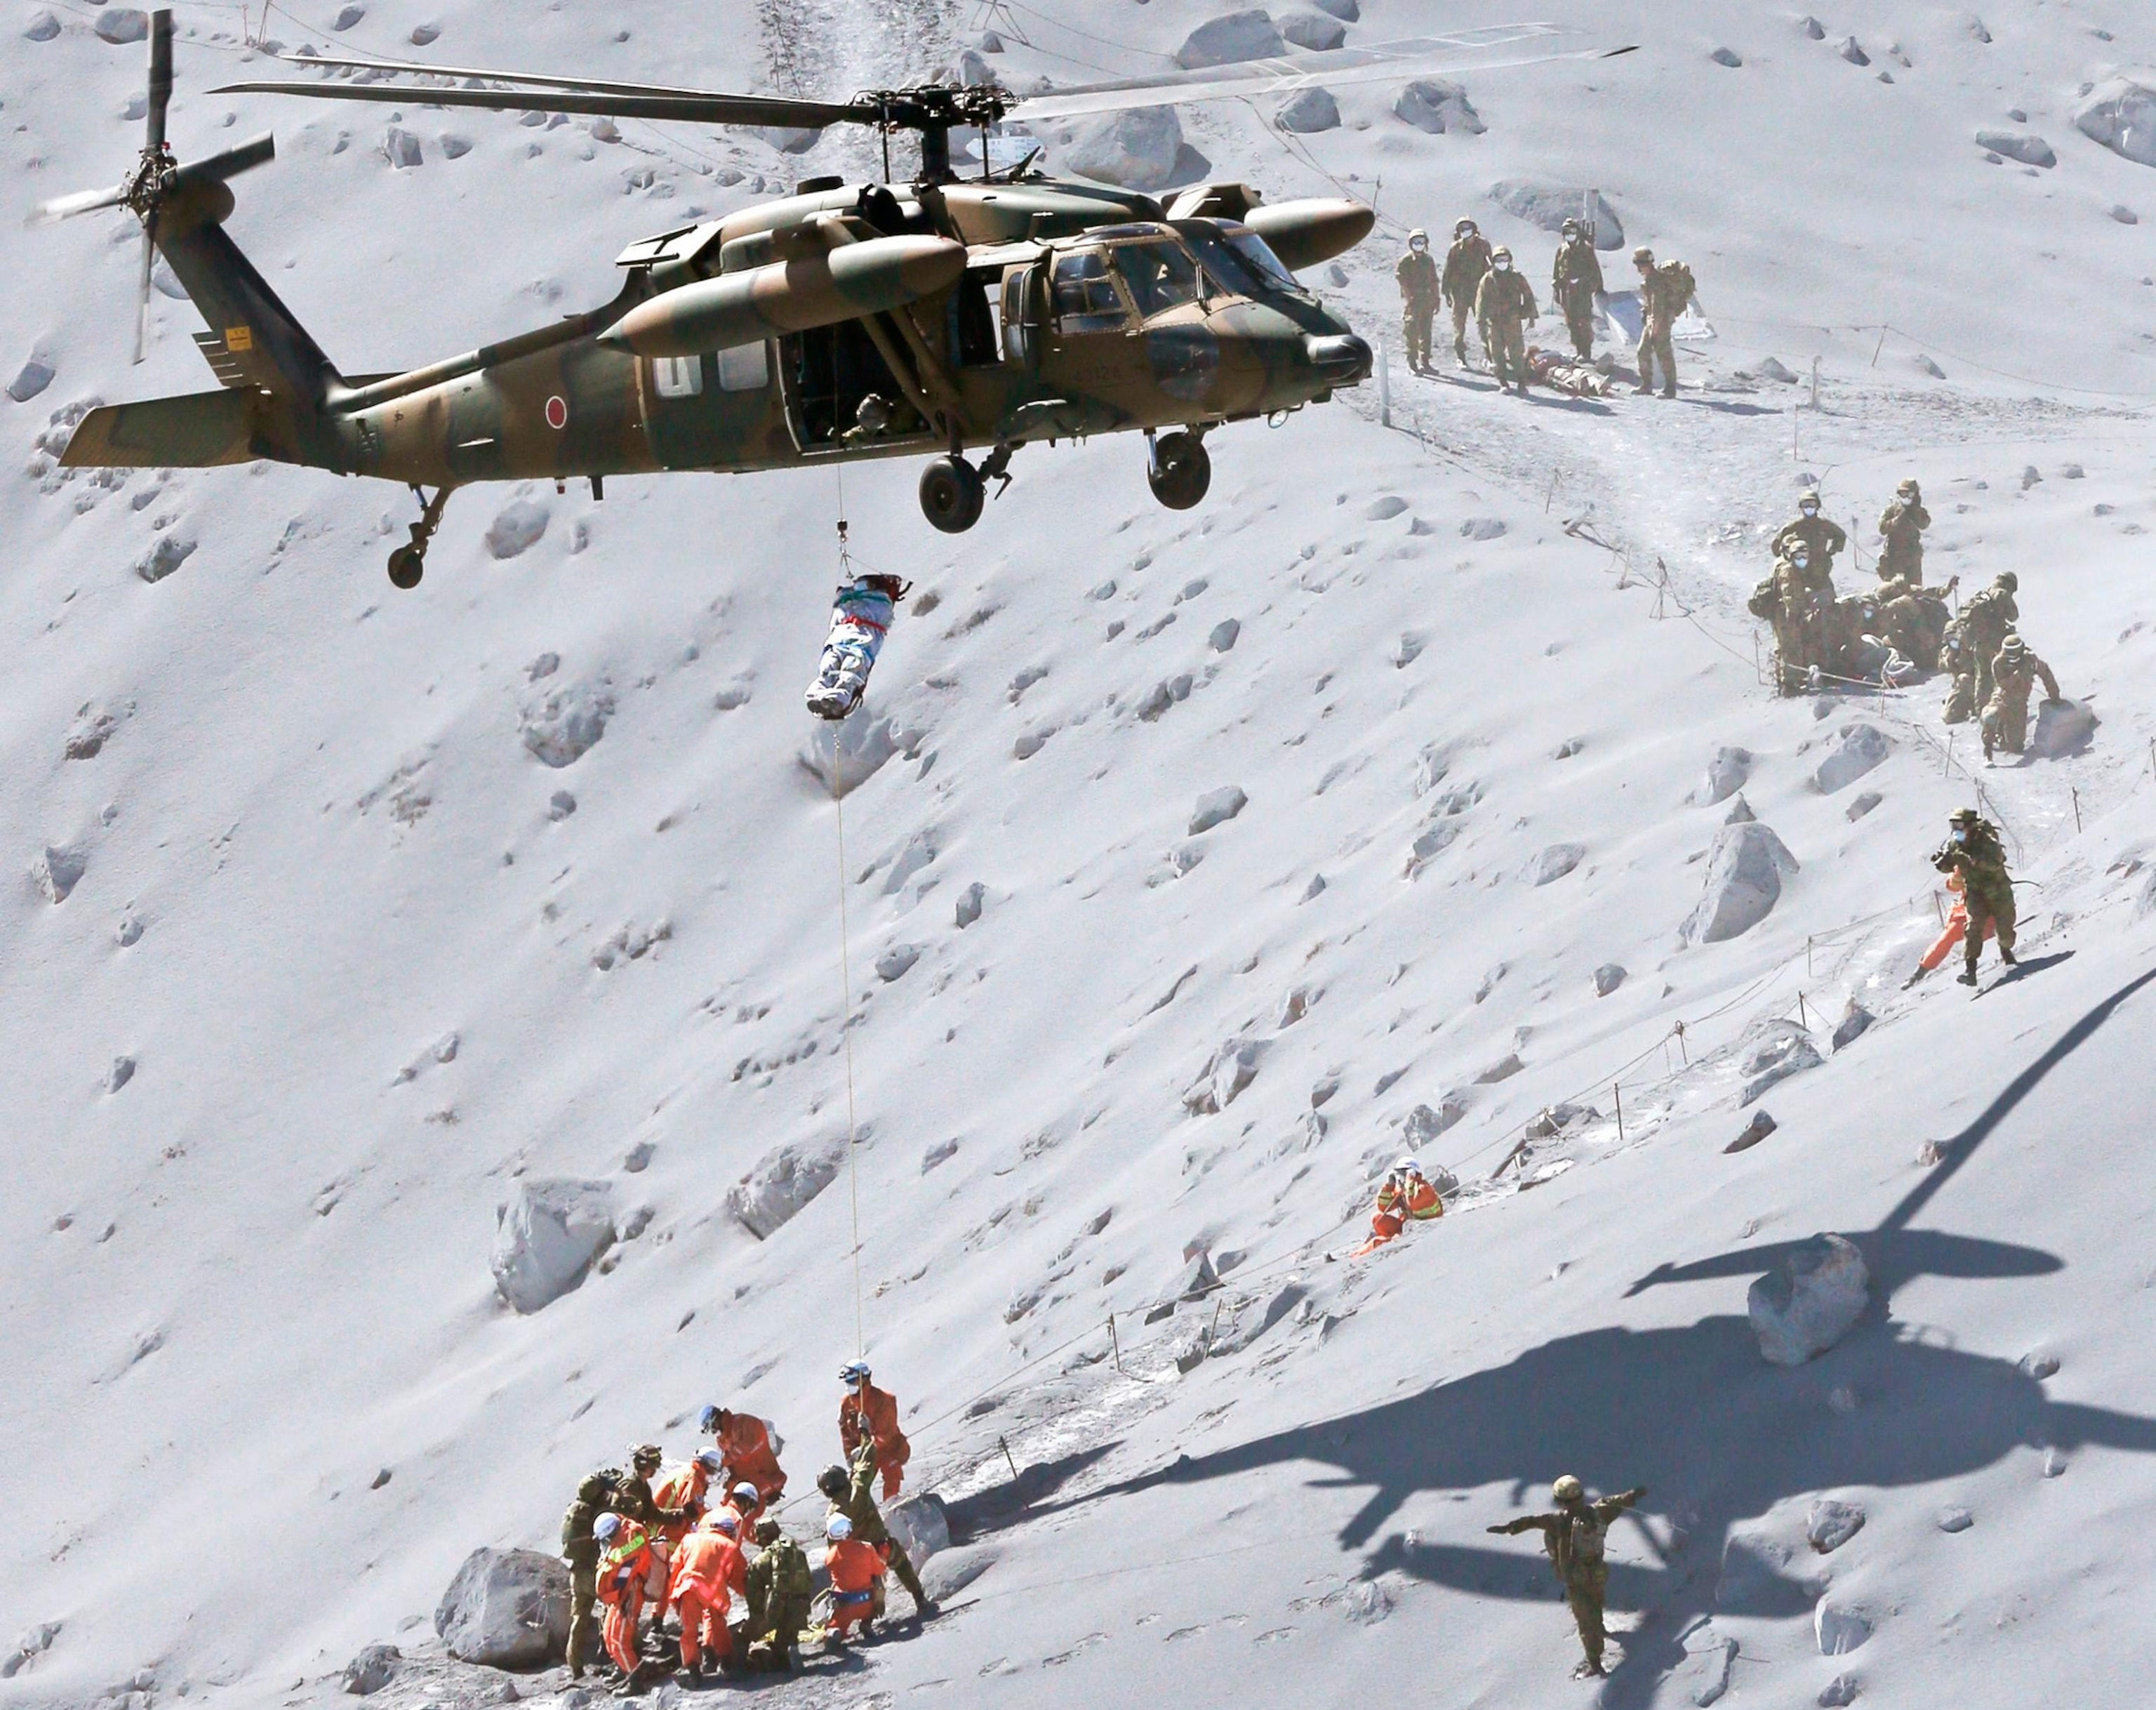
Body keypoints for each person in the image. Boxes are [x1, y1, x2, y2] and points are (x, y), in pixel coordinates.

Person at [1486, 1477, 1647, 1678]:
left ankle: (1595, 1663)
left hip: (1576, 1580)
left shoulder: (1557, 1520)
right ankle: (1600, 1628)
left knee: (1585, 1622)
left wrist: (1509, 1528)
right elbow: (1616, 1501)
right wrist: (1634, 1495)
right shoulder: (1597, 1512)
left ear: (1559, 1499)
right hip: (1597, 1574)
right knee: (1596, 1603)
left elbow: (1532, 1521)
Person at [819, 1438, 935, 1612]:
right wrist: (865, 1435)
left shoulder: (832, 1512)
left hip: (858, 1556)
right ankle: (920, 1598)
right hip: (881, 1546)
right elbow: (867, 1463)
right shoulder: (858, 1488)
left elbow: (833, 1543)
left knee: (864, 1582)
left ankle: (869, 1615)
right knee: (901, 1564)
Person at [805, 572, 910, 721]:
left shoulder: (859, 603)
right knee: (844, 666)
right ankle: (827, 694)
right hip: (854, 640)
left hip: (846, 639)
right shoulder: (876, 605)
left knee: (841, 665)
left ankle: (831, 695)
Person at [1931, 808, 2016, 983]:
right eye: (1953, 825)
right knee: (1972, 928)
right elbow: (1949, 865)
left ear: (1971, 825)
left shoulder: (1988, 842)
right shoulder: (1955, 843)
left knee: (2005, 931)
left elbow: (1996, 862)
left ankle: (2006, 950)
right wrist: (1944, 862)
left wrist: (1974, 861)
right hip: (1976, 892)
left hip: (1998, 891)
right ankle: (1971, 971)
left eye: (1960, 825)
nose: (1956, 829)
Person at [611, 1445, 690, 1622]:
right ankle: (618, 1636)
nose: (654, 1470)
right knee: (624, 1590)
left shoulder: (643, 1486)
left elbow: (652, 1513)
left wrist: (678, 1516)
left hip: (635, 1544)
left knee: (635, 1590)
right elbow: (619, 1517)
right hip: (625, 1548)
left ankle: (631, 1634)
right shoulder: (630, 1486)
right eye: (653, 1465)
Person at [668, 1513, 748, 1678]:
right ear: (729, 1532)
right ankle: (725, 1663)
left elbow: (675, 1565)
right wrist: (748, 1595)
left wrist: (675, 1596)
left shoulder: (689, 1539)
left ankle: (692, 1670)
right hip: (713, 1593)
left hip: (688, 1587)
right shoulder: (731, 1547)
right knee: (718, 1625)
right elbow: (738, 1579)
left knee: (689, 1630)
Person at [560, 1471, 618, 1681]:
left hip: (577, 1573)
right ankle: (610, 1654)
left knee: (579, 1620)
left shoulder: (575, 1510)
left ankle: (575, 1667)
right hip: (593, 1572)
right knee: (610, 1609)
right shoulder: (594, 1514)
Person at [1943, 571, 2020, 722]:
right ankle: (1992, 712)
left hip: (1977, 642)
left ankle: (1981, 710)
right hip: (1993, 642)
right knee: (1996, 675)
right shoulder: (2001, 594)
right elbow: (2013, 616)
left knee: (1982, 676)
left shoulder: (1982, 594)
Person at [1749, 543, 1825, 695]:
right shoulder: (1789, 572)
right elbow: (1789, 595)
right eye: (1798, 557)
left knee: (1785, 646)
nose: (1802, 560)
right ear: (1791, 556)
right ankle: (1789, 684)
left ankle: (1784, 678)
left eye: (1805, 557)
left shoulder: (1796, 571)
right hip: (1786, 615)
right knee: (1791, 647)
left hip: (1787, 613)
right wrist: (1794, 614)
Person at [743, 1518, 814, 1674]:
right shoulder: (798, 1554)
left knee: (741, 1637)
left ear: (761, 1537)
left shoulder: (760, 1561)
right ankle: (790, 1647)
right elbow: (808, 1581)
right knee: (786, 1637)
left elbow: (752, 1595)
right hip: (800, 1610)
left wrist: (757, 1618)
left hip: (774, 1611)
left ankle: (737, 1668)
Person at [592, 1512, 655, 1685]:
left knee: (619, 1639)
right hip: (618, 1594)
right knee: (608, 1634)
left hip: (630, 1591)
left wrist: (612, 1564)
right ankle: (622, 1668)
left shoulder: (635, 1534)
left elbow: (630, 1555)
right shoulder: (616, 1542)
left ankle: (635, 1681)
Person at [1981, 633, 2062, 762]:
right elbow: (2002, 684)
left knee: (2015, 748)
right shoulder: (1998, 662)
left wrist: (2055, 696)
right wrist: (2017, 675)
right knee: (1990, 717)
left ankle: (2002, 732)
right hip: (2003, 697)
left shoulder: (2030, 660)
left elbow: (2046, 673)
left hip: (2020, 702)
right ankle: (1988, 751)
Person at [837, 1362, 912, 1499]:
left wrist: (866, 1448)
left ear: (864, 1378)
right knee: (856, 1486)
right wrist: (850, 1455)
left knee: (892, 1476)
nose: (849, 1385)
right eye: (847, 1381)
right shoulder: (846, 1403)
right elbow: (846, 1433)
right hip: (864, 1454)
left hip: (889, 1450)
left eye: (852, 1381)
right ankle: (859, 1517)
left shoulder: (885, 1400)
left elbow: (886, 1433)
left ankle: (892, 1508)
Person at [1474, 248, 1538, 395]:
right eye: (1499, 260)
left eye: (1505, 259)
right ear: (1493, 262)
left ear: (1510, 260)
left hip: (1513, 322)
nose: (1502, 263)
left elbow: (1528, 295)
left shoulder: (1517, 277)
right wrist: (1480, 320)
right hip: (1495, 323)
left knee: (1517, 353)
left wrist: (1531, 315)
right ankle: (1503, 382)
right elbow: (1481, 301)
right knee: (1497, 353)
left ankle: (1522, 383)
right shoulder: (1487, 280)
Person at [1630, 247, 1693, 397]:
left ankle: (1670, 389)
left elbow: (1658, 307)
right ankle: (1647, 385)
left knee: (1663, 353)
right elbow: (1650, 305)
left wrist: (1655, 329)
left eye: (1640, 264)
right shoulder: (1649, 280)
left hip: (1661, 320)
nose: (1639, 268)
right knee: (1643, 351)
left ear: (1647, 263)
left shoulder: (1656, 281)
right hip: (1654, 320)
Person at [1349, 1158, 1443, 1257]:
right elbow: (1383, 1207)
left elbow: (1413, 1203)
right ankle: (1361, 1251)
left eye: (1402, 1174)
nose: (1399, 1178)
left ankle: (1356, 1256)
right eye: (1398, 1174)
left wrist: (1409, 1181)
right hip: (1407, 1225)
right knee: (1377, 1218)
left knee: (1378, 1241)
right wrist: (1389, 1185)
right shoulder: (1403, 1190)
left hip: (1422, 1228)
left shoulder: (1423, 1189)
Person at [701, 1405, 787, 1506]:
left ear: (715, 1420)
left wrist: (725, 1461)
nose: (714, 1432)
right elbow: (731, 1465)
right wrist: (726, 1477)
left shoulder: (743, 1422)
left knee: (745, 1501)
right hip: (748, 1481)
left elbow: (750, 1446)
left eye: (713, 1429)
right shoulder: (722, 1440)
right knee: (729, 1505)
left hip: (766, 1477)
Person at [823, 1514, 888, 1642]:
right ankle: (866, 1622)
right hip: (867, 1602)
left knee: (834, 1625)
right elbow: (879, 1570)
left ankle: (834, 1632)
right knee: (877, 1581)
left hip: (844, 1605)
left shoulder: (830, 1557)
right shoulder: (867, 1548)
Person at [1442, 218, 1494, 369]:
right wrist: (1446, 293)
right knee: (1459, 325)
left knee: (1484, 324)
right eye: (1462, 228)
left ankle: (1490, 356)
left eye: (1468, 227)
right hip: (1460, 291)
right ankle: (1461, 357)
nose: (1465, 230)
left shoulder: (1484, 245)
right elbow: (1448, 270)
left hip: (1479, 290)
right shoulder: (1455, 248)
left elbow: (1492, 265)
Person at [1771, 489, 1846, 594]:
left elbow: (1840, 535)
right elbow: (1777, 543)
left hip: (1820, 567)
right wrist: (1788, 557)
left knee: (1825, 596)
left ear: (1818, 506)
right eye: (1806, 504)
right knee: (1797, 595)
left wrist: (1832, 551)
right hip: (1799, 569)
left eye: (1812, 504)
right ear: (1801, 507)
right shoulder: (1795, 526)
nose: (1809, 508)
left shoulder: (1824, 525)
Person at [1550, 217, 1604, 360]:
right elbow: (1557, 269)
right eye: (1567, 231)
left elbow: (1595, 270)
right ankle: (1579, 349)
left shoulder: (1586, 248)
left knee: (1584, 321)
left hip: (1582, 291)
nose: (1570, 234)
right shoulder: (1562, 249)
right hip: (1567, 291)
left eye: (1573, 231)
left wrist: (1594, 286)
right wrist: (1557, 288)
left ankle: (1586, 352)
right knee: (1571, 322)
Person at [1395, 230, 1439, 373]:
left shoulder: (1429, 260)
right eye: (1416, 242)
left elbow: (1434, 281)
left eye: (1421, 241)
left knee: (1426, 332)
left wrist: (1437, 299)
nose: (1419, 244)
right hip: (1413, 301)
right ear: (1410, 244)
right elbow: (1403, 282)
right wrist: (1409, 300)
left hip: (1427, 300)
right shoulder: (1406, 261)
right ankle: (1412, 364)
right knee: (1412, 331)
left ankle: (1425, 362)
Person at [1878, 478, 1929, 583]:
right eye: (1902, 494)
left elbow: (1924, 524)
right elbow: (1882, 528)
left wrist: (1915, 512)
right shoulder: (1891, 510)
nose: (1905, 497)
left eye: (1909, 494)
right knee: (1893, 589)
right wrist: (1896, 521)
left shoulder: (1919, 511)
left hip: (1912, 557)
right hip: (1893, 556)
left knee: (1915, 590)